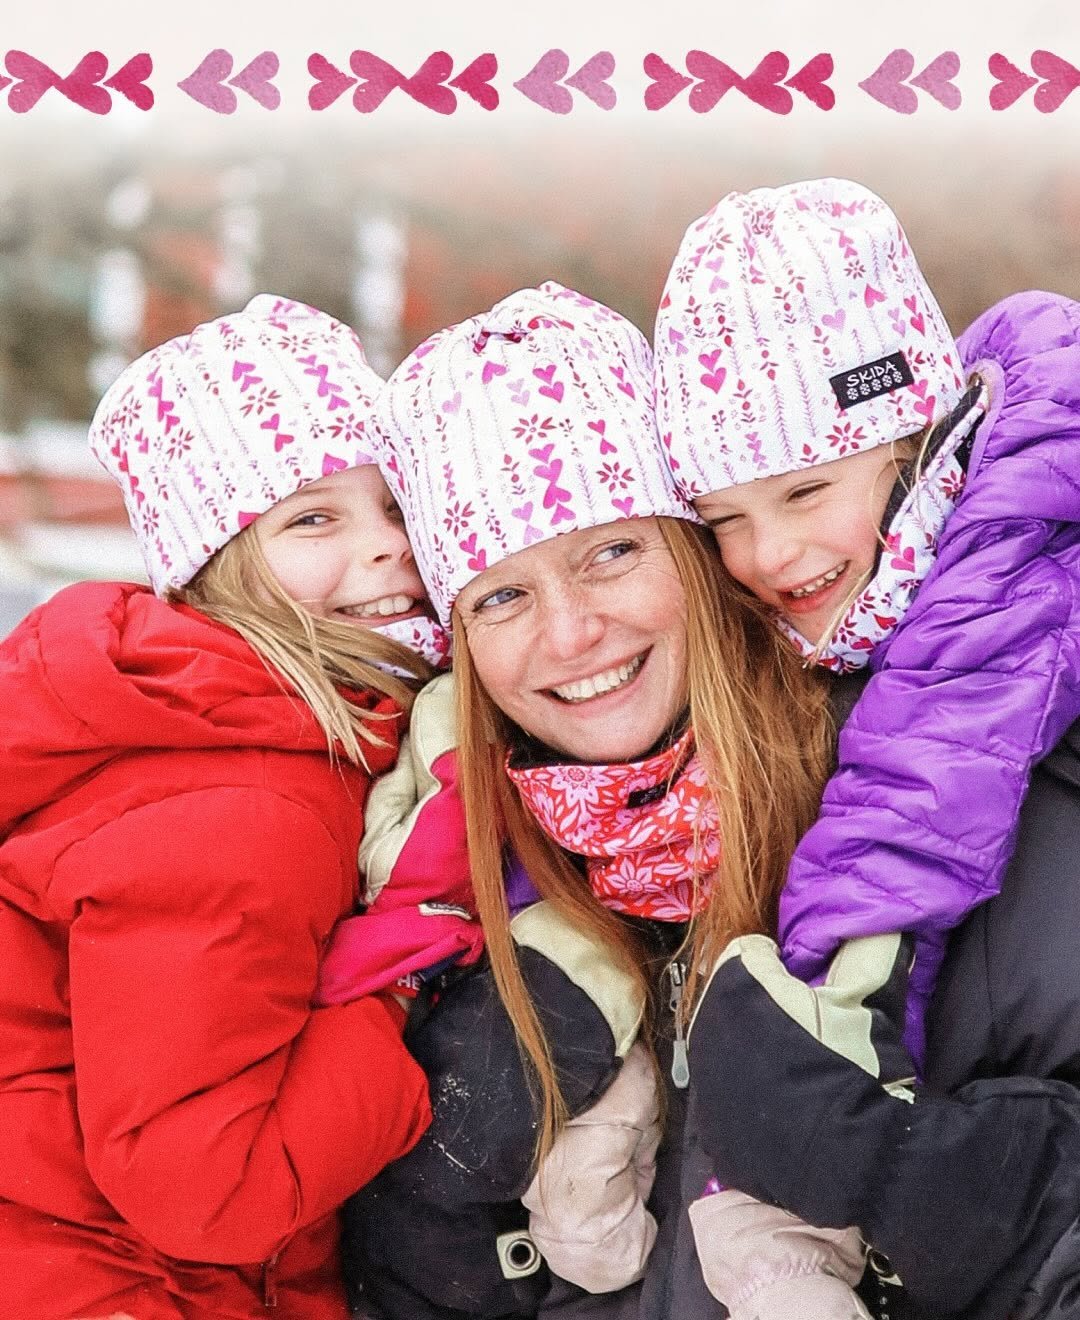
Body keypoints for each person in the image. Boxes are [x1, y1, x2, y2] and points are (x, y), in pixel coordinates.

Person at [346, 280, 879, 1320]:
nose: (571, 634)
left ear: (696, 555)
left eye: (611, 553)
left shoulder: (900, 810)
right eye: (502, 594)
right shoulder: (428, 902)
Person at [653, 179, 1080, 1316]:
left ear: (918, 442)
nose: (766, 555)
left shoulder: (1050, 644)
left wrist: (910, 1172)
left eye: (805, 490)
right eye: (724, 518)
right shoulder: (802, 692)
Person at [0, 294, 439, 1320]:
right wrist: (399, 995)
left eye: (396, 505)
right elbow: (214, 1193)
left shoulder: (248, 731)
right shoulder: (244, 806)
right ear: (217, 570)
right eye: (313, 518)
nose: (385, 548)